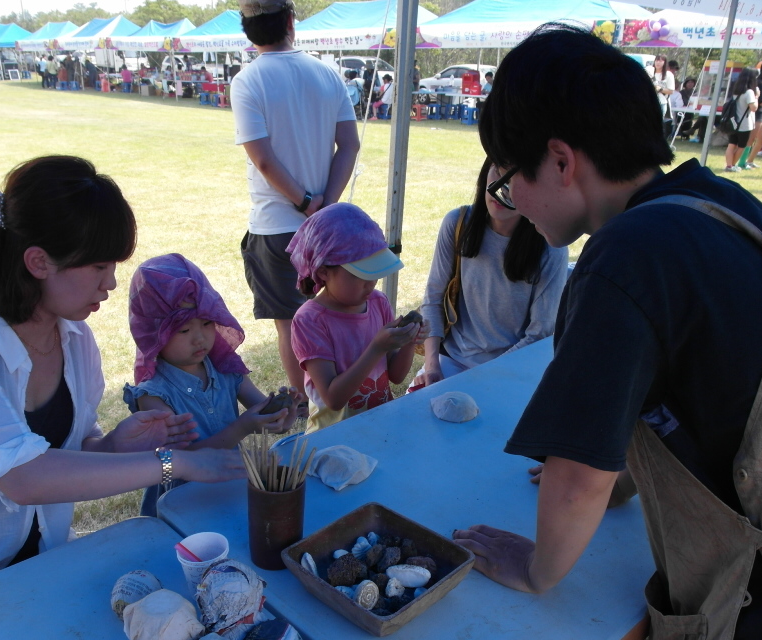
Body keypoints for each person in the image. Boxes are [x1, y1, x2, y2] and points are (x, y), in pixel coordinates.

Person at [460, 23, 762, 640]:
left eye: (510, 179)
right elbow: (701, 388)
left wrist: (539, 566)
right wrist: (615, 485)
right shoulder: (713, 202)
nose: (510, 200)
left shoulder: (625, 258)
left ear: (561, 160)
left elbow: (575, 476)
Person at [0, 156, 244, 624]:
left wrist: (114, 445)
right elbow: (23, 476)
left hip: (29, 570)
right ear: (38, 261)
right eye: (98, 265)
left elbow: (69, 452)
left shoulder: (75, 339)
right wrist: (175, 463)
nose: (112, 283)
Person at [232, 0, 360, 413]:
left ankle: (307, 408)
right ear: (290, 21)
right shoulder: (327, 73)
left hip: (276, 226)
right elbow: (350, 144)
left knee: (291, 325)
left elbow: (263, 158)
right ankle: (336, 397)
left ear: (247, 29)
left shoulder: (248, 80)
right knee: (333, 314)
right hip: (325, 226)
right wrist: (325, 206)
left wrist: (306, 203)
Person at [124, 254, 301, 516]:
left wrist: (282, 415)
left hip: (232, 487)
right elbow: (178, 461)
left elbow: (263, 415)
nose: (199, 339)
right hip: (181, 503)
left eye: (207, 323)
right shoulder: (153, 395)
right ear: (153, 333)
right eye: (183, 331)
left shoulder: (223, 366)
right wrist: (243, 427)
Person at [411, 157, 567, 389]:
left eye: (515, 178)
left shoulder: (549, 247)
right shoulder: (457, 223)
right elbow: (433, 299)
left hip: (509, 370)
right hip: (450, 362)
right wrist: (433, 366)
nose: (502, 187)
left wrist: (482, 379)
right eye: (497, 171)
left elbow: (539, 334)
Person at [289, 204, 426, 433]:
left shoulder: (378, 302)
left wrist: (408, 341)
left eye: (374, 273)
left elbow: (397, 376)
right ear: (323, 271)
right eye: (361, 274)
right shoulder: (310, 320)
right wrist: (376, 349)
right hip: (333, 434)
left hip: (379, 426)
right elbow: (333, 399)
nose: (371, 284)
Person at [723, 68, 757, 172]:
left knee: (731, 144)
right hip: (744, 124)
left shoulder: (736, 91)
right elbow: (753, 108)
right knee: (741, 146)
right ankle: (732, 165)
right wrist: (757, 97)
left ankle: (729, 165)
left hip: (734, 122)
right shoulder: (749, 92)